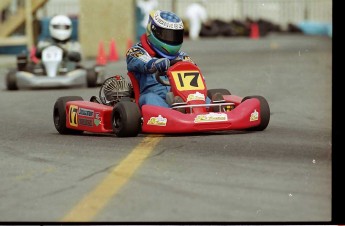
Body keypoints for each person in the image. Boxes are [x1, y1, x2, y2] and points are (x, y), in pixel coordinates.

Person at [126, 10, 220, 110]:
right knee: (150, 98)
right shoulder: (136, 51)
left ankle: (211, 110)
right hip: (153, 95)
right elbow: (140, 62)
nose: (172, 39)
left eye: (175, 35)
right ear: (153, 31)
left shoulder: (181, 56)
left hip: (181, 96)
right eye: (168, 35)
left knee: (200, 96)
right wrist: (154, 64)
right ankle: (173, 113)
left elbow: (194, 70)